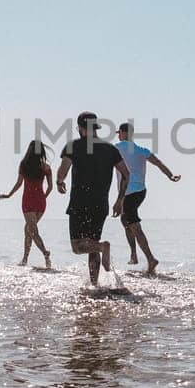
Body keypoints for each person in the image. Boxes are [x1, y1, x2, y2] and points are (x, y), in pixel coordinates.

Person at [55, 112, 130, 285]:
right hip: (101, 204)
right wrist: (120, 200)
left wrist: (59, 182)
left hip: (79, 203)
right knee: (92, 243)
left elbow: (63, 169)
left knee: (78, 246)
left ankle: (104, 247)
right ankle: (95, 285)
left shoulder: (72, 146)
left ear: (80, 128)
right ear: (95, 128)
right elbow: (126, 174)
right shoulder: (110, 149)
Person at [113, 122, 181, 274]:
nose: (118, 135)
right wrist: (170, 175)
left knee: (134, 225)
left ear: (123, 133)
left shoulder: (117, 147)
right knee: (125, 220)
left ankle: (150, 258)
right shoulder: (141, 150)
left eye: (119, 133)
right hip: (140, 192)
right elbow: (157, 162)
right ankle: (134, 255)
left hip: (129, 193)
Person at [0, 140, 53, 268]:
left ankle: (45, 252)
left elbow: (19, 184)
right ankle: (25, 259)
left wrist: (9, 195)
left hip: (28, 201)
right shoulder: (46, 167)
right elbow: (50, 187)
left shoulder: (24, 165)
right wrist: (43, 197)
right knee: (28, 229)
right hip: (40, 202)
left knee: (32, 230)